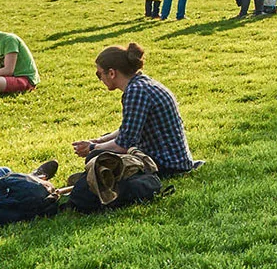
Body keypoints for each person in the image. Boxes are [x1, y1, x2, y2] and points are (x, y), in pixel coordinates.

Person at [71, 42, 198, 176]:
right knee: (104, 145)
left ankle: (93, 179)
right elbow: (128, 130)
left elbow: (123, 145)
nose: (100, 79)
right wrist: (99, 141)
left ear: (112, 73)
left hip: (166, 164)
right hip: (175, 160)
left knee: (98, 155)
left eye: (99, 74)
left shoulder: (136, 92)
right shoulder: (142, 83)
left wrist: (92, 148)